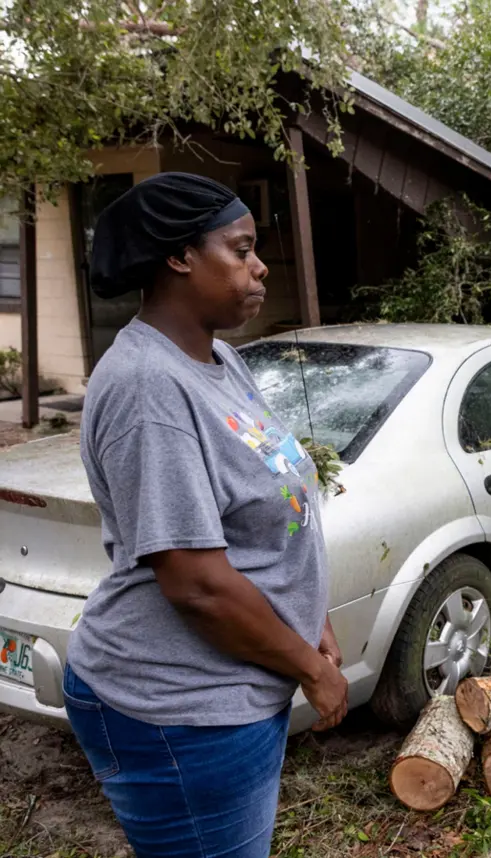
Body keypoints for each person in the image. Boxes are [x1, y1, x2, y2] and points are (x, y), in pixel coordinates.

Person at [64, 172, 348, 858]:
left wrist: (314, 621)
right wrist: (312, 669)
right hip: (180, 703)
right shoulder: (147, 387)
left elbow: (275, 505)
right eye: (241, 249)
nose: (258, 269)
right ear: (179, 256)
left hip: (233, 684)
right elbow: (195, 581)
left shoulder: (216, 359)